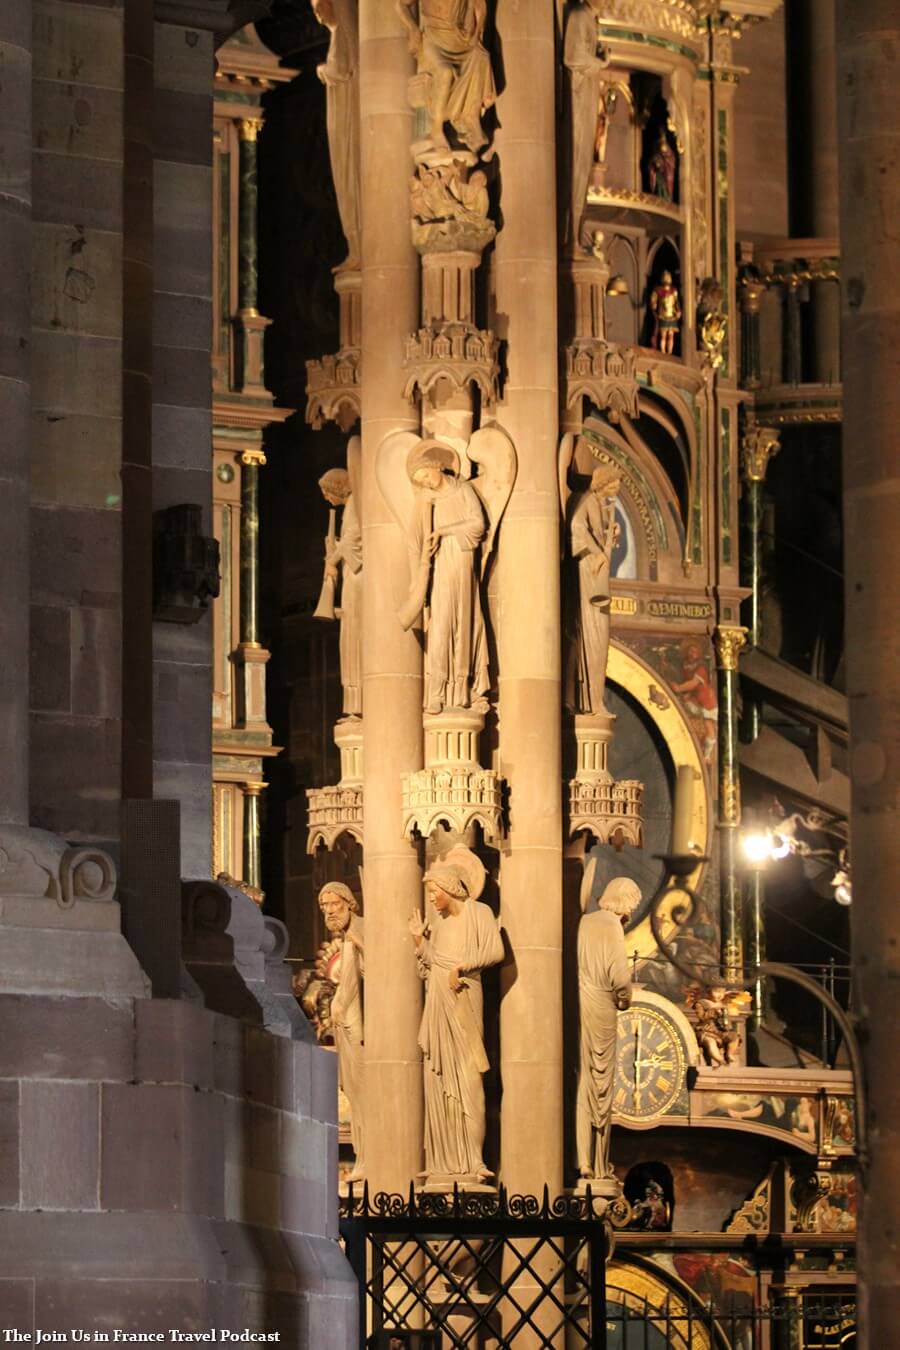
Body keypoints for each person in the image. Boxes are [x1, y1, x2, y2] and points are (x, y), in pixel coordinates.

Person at [408, 847, 503, 1184]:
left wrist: (463, 966)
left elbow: (495, 951)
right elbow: (432, 964)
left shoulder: (479, 912)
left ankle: (474, 1160)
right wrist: (420, 941)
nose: (431, 898)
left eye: (434, 892)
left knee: (468, 1078)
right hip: (437, 1002)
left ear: (449, 888)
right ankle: (441, 1161)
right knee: (438, 1079)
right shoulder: (439, 922)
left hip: (463, 998)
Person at [403, 442, 490, 714]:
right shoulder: (427, 502)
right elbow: (413, 541)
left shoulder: (463, 490)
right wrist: (421, 566)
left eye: (427, 476)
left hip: (461, 561)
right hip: (439, 568)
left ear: (437, 467)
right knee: (440, 626)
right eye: (421, 481)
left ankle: (463, 689)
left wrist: (444, 531)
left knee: (464, 622)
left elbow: (478, 524)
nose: (426, 483)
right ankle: (437, 691)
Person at [576, 877, 641, 1186]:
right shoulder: (611, 925)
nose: (630, 915)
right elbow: (619, 976)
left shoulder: (585, 922)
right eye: (632, 906)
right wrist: (625, 999)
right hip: (602, 1005)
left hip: (580, 1001)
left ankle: (582, 1160)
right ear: (625, 901)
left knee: (582, 1082)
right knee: (602, 1085)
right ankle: (597, 1164)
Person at [319, 882, 365, 1179]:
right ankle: (365, 1157)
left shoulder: (361, 933)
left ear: (349, 902)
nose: (329, 912)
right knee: (356, 1093)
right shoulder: (350, 938)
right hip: (347, 1026)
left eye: (334, 904)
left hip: (364, 1028)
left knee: (365, 1093)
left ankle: (371, 1157)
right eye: (324, 907)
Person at [567, 465, 621, 714]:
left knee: (599, 639)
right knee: (591, 635)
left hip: (597, 575)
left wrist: (612, 533)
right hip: (588, 572)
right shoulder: (586, 500)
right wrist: (597, 553)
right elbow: (577, 529)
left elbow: (596, 533)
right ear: (603, 483)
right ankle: (587, 701)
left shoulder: (602, 506)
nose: (617, 488)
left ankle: (594, 700)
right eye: (613, 483)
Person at [318, 468, 362, 717]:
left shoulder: (356, 505)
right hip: (350, 578)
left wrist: (332, 559)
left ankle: (358, 700)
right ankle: (353, 701)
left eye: (327, 492)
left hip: (356, 580)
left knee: (354, 632)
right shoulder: (351, 508)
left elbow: (353, 539)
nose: (326, 498)